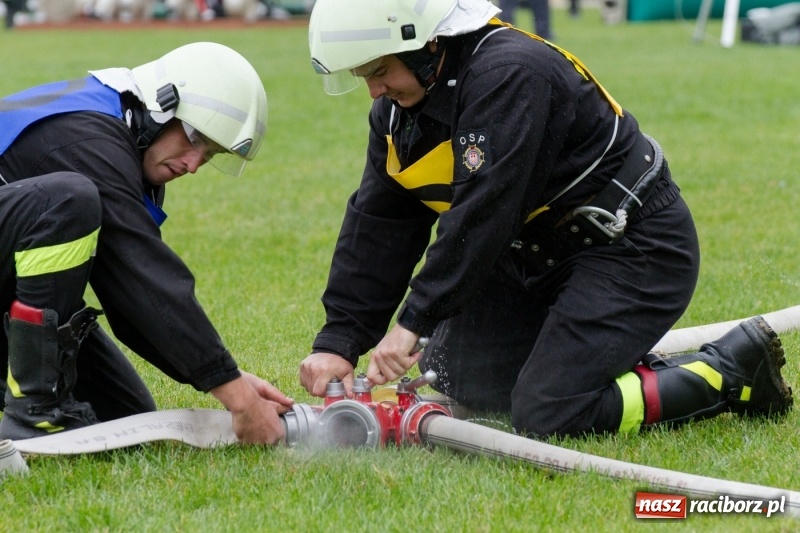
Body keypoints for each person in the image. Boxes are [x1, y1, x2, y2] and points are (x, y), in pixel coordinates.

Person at [299, 0, 793, 439]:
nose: (373, 91)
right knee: (460, 383)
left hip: (629, 248)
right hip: (526, 257)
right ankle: (601, 361)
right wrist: (340, 340)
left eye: (379, 70)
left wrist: (412, 322)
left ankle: (728, 370)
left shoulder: (510, 72)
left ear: (427, 45)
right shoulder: (395, 110)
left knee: (548, 411)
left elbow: (484, 211)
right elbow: (380, 224)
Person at [0, 42, 293, 443]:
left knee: (126, 416)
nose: (193, 164)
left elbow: (135, 304)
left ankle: (35, 395)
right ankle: (33, 413)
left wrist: (228, 376)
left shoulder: (115, 133)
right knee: (68, 199)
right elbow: (141, 277)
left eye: (210, 155)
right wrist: (237, 395)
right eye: (195, 139)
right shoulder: (89, 140)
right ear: (161, 107)